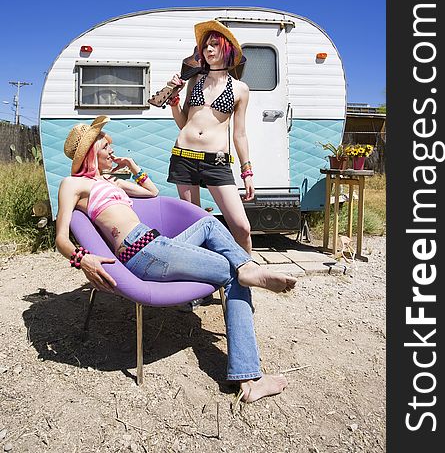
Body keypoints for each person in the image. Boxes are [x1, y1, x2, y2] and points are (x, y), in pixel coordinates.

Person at [56, 116, 297, 403]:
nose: (112, 152)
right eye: (107, 146)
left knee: (208, 224)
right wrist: (82, 259)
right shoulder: (72, 184)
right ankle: (249, 376)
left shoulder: (109, 182)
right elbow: (61, 236)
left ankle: (245, 268)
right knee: (232, 274)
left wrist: (133, 168)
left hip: (158, 245)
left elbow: (152, 193)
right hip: (142, 252)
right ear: (91, 151)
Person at [166, 20, 254, 253]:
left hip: (216, 162)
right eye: (206, 46)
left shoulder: (240, 89)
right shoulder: (195, 80)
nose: (209, 49)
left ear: (227, 50)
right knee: (194, 226)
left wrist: (247, 172)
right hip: (183, 156)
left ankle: (246, 277)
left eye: (215, 44)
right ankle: (202, 281)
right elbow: (185, 122)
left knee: (242, 227)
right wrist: (174, 104)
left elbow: (240, 134)